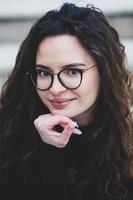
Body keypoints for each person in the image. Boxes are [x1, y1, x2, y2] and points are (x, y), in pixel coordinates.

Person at [0, 2, 133, 200]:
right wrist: (46, 152)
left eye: (72, 71)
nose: (55, 89)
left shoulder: (126, 143)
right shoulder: (7, 133)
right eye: (44, 72)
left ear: (105, 72)